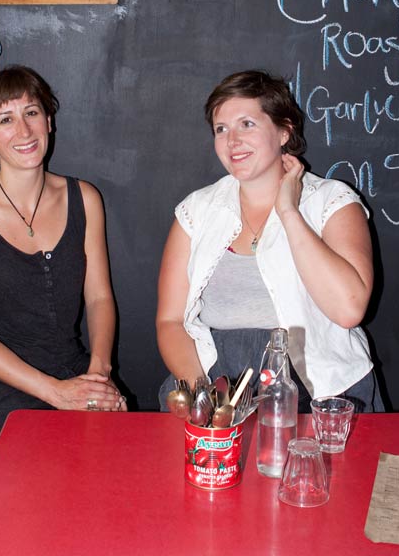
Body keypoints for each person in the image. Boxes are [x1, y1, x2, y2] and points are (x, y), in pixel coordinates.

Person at [156, 69, 384, 413]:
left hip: (318, 388)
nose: (232, 140)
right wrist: (206, 397)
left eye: (247, 124)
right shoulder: (197, 211)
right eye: (221, 129)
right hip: (213, 378)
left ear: (283, 132)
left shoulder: (332, 201)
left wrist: (289, 212)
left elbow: (348, 309)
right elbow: (170, 321)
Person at [0, 65, 126, 460]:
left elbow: (99, 299)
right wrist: (56, 393)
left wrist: (99, 373)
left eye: (32, 113)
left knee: (119, 448)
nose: (23, 131)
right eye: (6, 119)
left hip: (73, 370)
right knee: (55, 458)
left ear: (49, 120)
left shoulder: (85, 199)